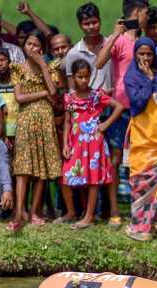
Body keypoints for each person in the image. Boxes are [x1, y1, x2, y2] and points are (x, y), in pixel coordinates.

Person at [95, 0, 150, 228]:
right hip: (120, 108)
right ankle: (115, 210)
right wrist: (115, 35)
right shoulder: (118, 39)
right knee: (115, 160)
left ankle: (140, 210)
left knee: (142, 160)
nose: (148, 17)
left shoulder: (145, 42)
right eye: (146, 13)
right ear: (136, 13)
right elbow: (99, 63)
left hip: (142, 108)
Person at [59, 59, 124, 229]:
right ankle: (72, 212)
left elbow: (118, 107)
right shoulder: (69, 98)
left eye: (87, 77)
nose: (84, 80)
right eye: (80, 77)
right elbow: (67, 122)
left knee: (93, 179)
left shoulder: (96, 95)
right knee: (66, 177)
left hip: (94, 142)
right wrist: (65, 144)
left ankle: (89, 216)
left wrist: (105, 124)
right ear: (73, 77)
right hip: (75, 142)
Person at [7, 31, 62, 231]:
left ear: (42, 48)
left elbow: (55, 91)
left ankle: (35, 212)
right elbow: (20, 97)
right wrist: (43, 93)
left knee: (41, 169)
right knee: (22, 168)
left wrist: (43, 66)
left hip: (45, 120)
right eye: (29, 44)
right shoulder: (18, 69)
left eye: (36, 45)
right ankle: (19, 211)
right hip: (25, 120)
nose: (32, 48)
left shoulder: (50, 67)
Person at [124, 37, 157, 241]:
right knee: (140, 180)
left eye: (149, 54)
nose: (145, 58)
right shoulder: (132, 77)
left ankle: (156, 222)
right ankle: (140, 226)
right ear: (135, 54)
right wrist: (147, 79)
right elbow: (137, 101)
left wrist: (153, 77)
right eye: (141, 54)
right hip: (143, 139)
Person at [64, 3, 111, 93]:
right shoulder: (74, 53)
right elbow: (72, 89)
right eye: (86, 24)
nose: (91, 27)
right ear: (80, 25)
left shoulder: (112, 46)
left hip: (113, 102)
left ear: (100, 21)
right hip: (87, 105)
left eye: (94, 22)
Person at [0, 48, 19, 151]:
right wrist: (3, 135)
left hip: (20, 130)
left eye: (3, 60)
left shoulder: (18, 84)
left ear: (9, 61)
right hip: (2, 132)